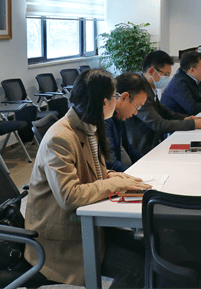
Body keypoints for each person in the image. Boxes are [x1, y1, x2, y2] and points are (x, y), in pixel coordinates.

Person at [24, 69, 152, 288]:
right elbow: (69, 196)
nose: (116, 101)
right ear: (104, 102)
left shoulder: (88, 126)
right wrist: (115, 183)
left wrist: (118, 177)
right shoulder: (60, 138)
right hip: (63, 238)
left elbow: (92, 173)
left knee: (149, 249)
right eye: (114, 96)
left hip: (87, 225)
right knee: (137, 271)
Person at [125, 50, 201, 154]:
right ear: (151, 71)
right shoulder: (139, 90)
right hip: (142, 148)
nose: (167, 78)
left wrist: (185, 118)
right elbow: (158, 124)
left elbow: (163, 111)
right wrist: (193, 124)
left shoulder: (149, 86)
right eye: (166, 74)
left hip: (153, 143)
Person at [105, 73, 148, 171]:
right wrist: (134, 176)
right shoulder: (105, 119)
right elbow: (110, 164)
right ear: (124, 97)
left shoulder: (119, 115)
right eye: (137, 106)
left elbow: (128, 148)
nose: (136, 113)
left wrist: (147, 163)